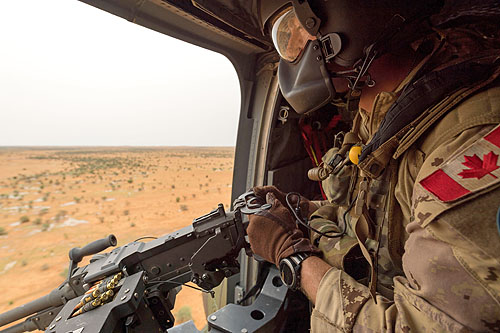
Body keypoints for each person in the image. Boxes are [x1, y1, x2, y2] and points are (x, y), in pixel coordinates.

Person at [247, 0, 500, 331]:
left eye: (292, 30)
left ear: (346, 17)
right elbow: (378, 220)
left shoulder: (467, 143)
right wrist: (306, 213)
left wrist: (294, 258)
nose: (291, 50)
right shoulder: (387, 111)